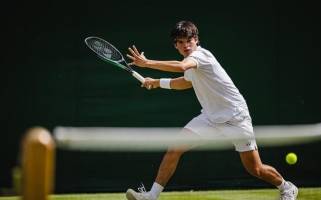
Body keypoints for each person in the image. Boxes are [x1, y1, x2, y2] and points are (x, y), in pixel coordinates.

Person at [125, 20, 298, 200]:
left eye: (189, 40)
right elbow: (185, 82)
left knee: (255, 169)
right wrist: (157, 82)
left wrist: (147, 63)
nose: (186, 45)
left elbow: (181, 67)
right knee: (175, 148)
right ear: (175, 45)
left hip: (236, 117)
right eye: (181, 42)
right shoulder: (190, 62)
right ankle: (151, 196)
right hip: (210, 117)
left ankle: (286, 187)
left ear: (196, 40)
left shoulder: (200, 56)